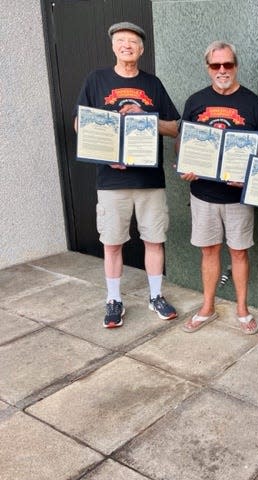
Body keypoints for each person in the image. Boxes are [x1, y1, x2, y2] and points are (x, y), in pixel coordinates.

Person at [75, 22, 180, 329]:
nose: (126, 45)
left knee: (154, 240)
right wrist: (106, 150)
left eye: (132, 42)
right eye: (121, 41)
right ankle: (113, 300)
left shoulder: (153, 84)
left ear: (141, 49)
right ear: (113, 46)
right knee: (112, 243)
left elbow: (174, 127)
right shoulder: (96, 80)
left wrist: (147, 119)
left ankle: (156, 296)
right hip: (111, 180)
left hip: (149, 180)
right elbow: (80, 124)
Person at [179, 41, 258, 334]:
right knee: (209, 251)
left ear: (236, 66)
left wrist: (250, 174)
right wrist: (187, 167)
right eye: (215, 65)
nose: (222, 70)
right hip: (203, 194)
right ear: (208, 68)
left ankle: (242, 310)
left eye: (228, 65)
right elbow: (183, 144)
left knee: (239, 253)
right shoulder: (195, 101)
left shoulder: (253, 103)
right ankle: (207, 307)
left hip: (238, 197)